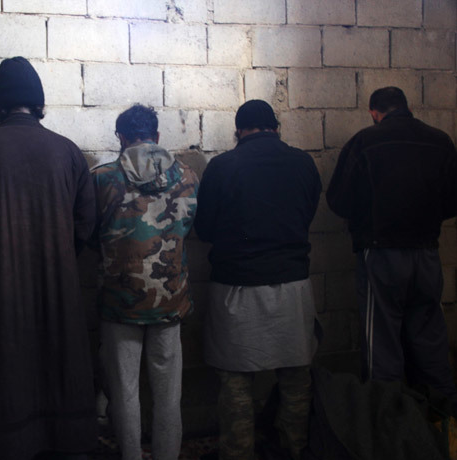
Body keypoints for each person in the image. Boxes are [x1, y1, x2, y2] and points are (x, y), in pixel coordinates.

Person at [0, 57, 97, 460]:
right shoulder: (68, 151)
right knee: (61, 361)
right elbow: (86, 224)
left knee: (4, 363)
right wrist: (61, 259)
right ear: (38, 102)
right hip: (59, 286)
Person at [194, 100, 321, 460]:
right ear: (276, 128)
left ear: (239, 131)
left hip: (237, 288)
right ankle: (295, 449)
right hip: (292, 286)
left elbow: (204, 230)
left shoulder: (222, 166)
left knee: (236, 383)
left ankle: (238, 454)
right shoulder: (304, 163)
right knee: (297, 380)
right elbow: (307, 213)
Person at [326, 87, 457, 406]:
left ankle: (388, 430)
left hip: (381, 256)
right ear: (405, 107)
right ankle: (446, 425)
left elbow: (338, 201)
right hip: (426, 254)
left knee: (382, 344)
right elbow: (453, 200)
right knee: (431, 339)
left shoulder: (364, 142)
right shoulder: (440, 141)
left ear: (373, 112)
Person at [91, 104, 198, 460]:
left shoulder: (102, 178)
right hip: (169, 299)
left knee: (124, 391)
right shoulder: (186, 176)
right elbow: (187, 228)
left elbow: (90, 232)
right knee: (169, 393)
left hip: (120, 302)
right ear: (156, 137)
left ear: (120, 137)